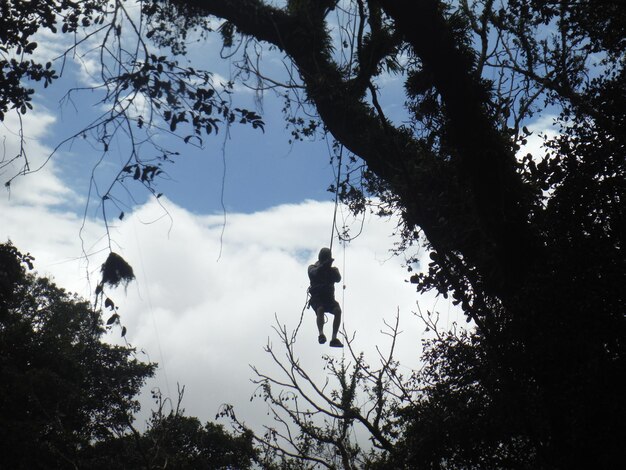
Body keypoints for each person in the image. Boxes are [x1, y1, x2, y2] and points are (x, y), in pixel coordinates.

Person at [308, 247, 343, 348]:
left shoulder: (333, 270)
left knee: (338, 310)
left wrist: (329, 268)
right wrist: (323, 266)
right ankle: (321, 334)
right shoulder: (312, 267)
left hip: (329, 300)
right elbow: (314, 273)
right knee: (320, 309)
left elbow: (338, 278)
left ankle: (334, 338)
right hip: (317, 299)